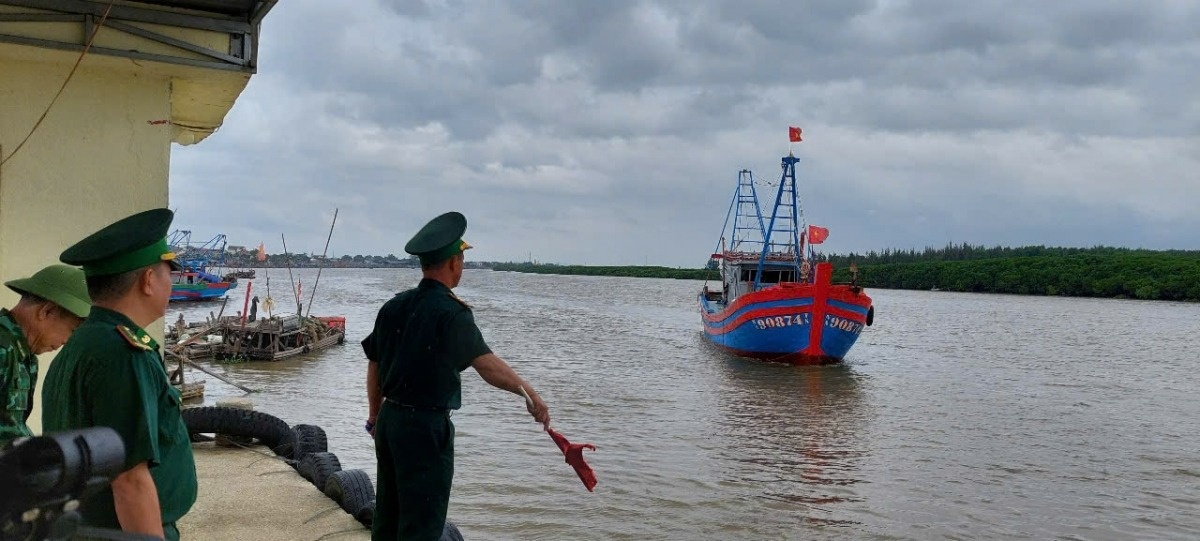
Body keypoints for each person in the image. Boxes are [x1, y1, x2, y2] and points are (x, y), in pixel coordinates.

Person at [363, 211, 550, 541]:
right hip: (425, 428)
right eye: (461, 258)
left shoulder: (394, 306)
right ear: (453, 262)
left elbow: (374, 364)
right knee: (421, 524)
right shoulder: (451, 313)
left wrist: (375, 415)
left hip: (390, 421)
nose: (461, 265)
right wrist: (529, 394)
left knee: (388, 517)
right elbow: (487, 365)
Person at [41, 208, 197, 541]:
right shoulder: (122, 353)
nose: (173, 282)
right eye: (170, 270)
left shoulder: (85, 342)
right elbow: (129, 482)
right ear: (148, 280)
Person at [0, 264, 91, 446]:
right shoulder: (3, 347)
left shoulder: (25, 355)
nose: (68, 341)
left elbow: (12, 428)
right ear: (46, 311)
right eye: (72, 331)